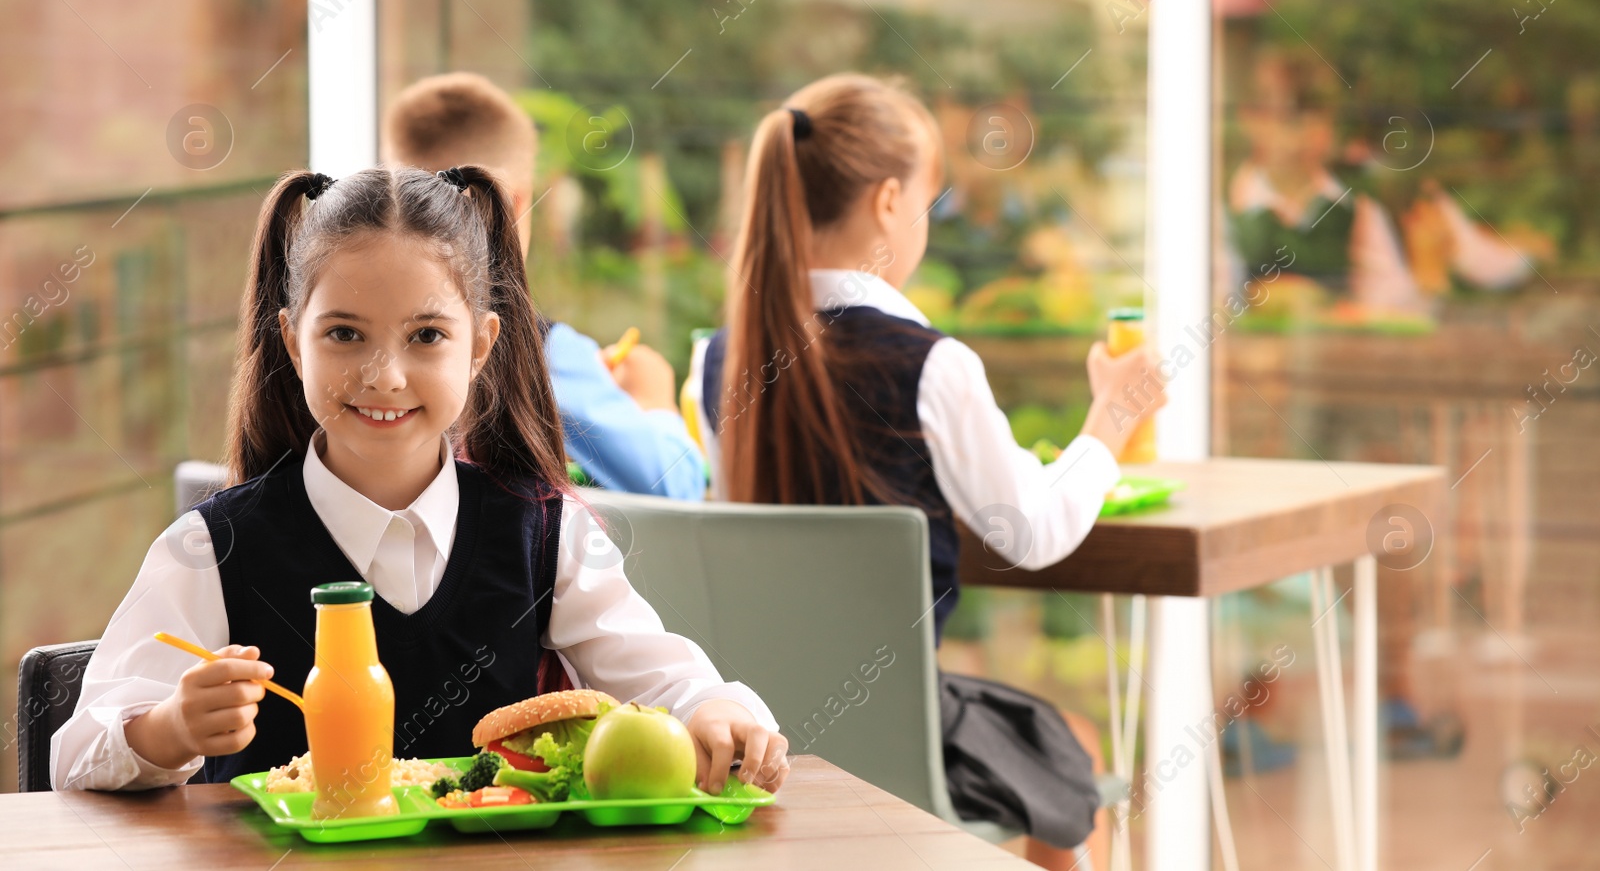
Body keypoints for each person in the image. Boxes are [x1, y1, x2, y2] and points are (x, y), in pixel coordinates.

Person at [51, 166, 788, 794]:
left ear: (481, 346)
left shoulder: (544, 532)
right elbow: (71, 754)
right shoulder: (212, 548)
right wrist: (169, 729)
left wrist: (717, 708)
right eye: (344, 333)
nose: (386, 375)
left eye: (427, 336)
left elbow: (663, 677)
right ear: (291, 341)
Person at [684, 73, 1167, 870]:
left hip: (760, 737)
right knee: (1069, 748)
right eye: (925, 208)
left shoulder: (717, 360)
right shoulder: (931, 365)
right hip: (903, 737)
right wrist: (1110, 420)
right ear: (884, 204)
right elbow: (1033, 532)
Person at [384, 73, 705, 500]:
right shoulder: (545, 355)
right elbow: (676, 486)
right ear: (517, 204)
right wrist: (653, 401)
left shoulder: (335, 346)